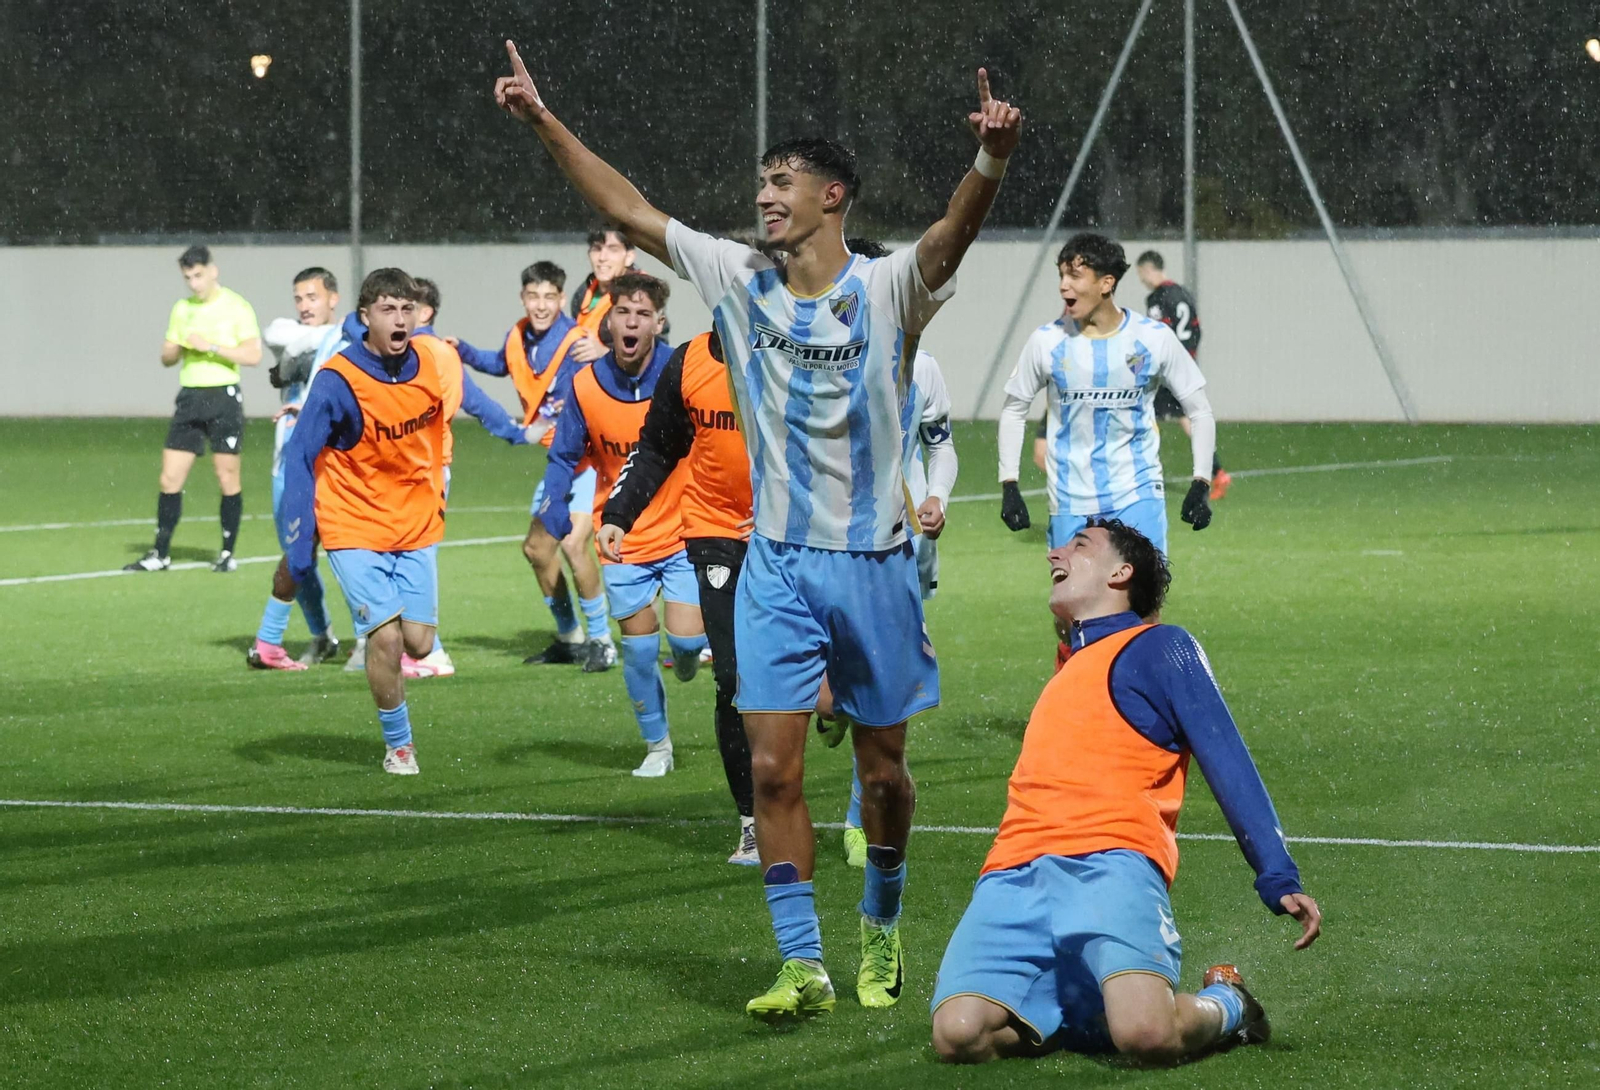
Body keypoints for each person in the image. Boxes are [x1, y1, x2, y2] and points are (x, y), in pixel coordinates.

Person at [492, 40, 1021, 1017]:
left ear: (834, 198)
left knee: (883, 775)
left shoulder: (886, 286)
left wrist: (989, 159)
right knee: (771, 766)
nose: (766, 196)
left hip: (872, 565)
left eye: (784, 182)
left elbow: (951, 235)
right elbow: (624, 209)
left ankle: (882, 922)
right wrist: (541, 120)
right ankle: (802, 962)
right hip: (771, 562)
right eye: (761, 181)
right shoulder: (736, 276)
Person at [931, 518, 1322, 1065]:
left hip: (1111, 862)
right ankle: (1085, 1011)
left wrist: (1276, 872)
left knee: (1146, 1037)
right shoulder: (1067, 670)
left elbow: (1225, 755)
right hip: (1012, 871)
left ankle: (1230, 1002)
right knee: (958, 1036)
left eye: (1079, 544)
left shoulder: (1161, 646)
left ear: (1121, 572)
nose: (1053, 553)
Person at [538, 272, 708, 778]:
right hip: (621, 535)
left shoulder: (682, 372)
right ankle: (657, 746)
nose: (631, 322)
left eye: (642, 314)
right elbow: (564, 453)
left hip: (683, 530)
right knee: (637, 653)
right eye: (623, 313)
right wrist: (553, 500)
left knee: (683, 644)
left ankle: (689, 654)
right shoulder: (585, 384)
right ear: (608, 321)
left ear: (659, 321)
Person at [280, 268, 448, 775]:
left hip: (415, 523)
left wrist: (437, 495)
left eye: (406, 309)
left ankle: (400, 731)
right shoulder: (339, 379)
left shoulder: (429, 364)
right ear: (365, 318)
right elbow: (299, 456)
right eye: (387, 309)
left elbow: (435, 433)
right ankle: (400, 747)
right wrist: (300, 534)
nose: (399, 319)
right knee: (388, 637)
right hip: (353, 524)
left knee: (419, 641)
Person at [598, 328, 758, 861]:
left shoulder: (793, 349)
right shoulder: (689, 362)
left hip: (792, 534)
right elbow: (658, 445)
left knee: (825, 685)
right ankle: (753, 820)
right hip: (716, 533)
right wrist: (619, 514)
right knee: (733, 679)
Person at [998, 234, 1216, 560]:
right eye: (1061, 276)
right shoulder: (1046, 342)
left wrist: (1201, 482)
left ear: (1106, 283)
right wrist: (1009, 484)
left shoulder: (1153, 338)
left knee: (1144, 607)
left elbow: (1199, 411)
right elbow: (1014, 410)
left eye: (1074, 275)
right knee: (1070, 608)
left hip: (1138, 494)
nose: (1063, 286)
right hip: (1069, 501)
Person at [455, 262, 616, 672]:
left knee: (573, 544)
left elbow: (581, 398)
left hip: (588, 459)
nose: (540, 305)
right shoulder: (519, 334)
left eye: (549, 297)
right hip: (560, 462)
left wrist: (539, 420)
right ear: (523, 298)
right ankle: (571, 638)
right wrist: (464, 352)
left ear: (562, 300)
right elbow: (503, 363)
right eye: (533, 296)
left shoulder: (576, 343)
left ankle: (602, 641)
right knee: (537, 549)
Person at [402, 276, 533, 679]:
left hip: (419, 470)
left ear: (424, 312)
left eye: (404, 307)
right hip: (426, 468)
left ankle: (430, 651)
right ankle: (396, 645)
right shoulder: (437, 353)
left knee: (414, 558)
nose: (395, 315)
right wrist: (517, 432)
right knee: (406, 556)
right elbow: (479, 404)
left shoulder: (419, 352)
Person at [127, 245, 262, 573]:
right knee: (169, 476)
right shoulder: (182, 309)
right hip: (190, 398)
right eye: (188, 277)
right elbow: (166, 357)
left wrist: (212, 347)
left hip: (223, 397)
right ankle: (160, 553)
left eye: (198, 275)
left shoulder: (236, 306)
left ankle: (227, 553)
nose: (194, 283)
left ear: (213, 270)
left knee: (226, 476)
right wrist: (177, 346)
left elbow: (253, 355)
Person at [247, 268, 345, 671]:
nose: (305, 306)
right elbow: (271, 333)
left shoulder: (346, 341)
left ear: (333, 298)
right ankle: (322, 635)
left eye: (313, 297)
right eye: (300, 298)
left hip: (329, 465)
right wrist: (330, 336)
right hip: (286, 463)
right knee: (295, 555)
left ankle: (383, 637)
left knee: (349, 552)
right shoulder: (330, 337)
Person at [1135, 250, 1230, 498]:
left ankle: (1143, 476)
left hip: (1166, 370)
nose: (1141, 280)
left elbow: (1157, 336)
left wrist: (1143, 364)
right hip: (1186, 366)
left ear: (1147, 270)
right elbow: (1196, 331)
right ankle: (1217, 472)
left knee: (1141, 414)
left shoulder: (1158, 298)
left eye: (1140, 274)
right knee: (1189, 420)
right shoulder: (1184, 294)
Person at [569, 227, 637, 352]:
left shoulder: (640, 294)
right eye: (597, 248)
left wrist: (605, 354)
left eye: (613, 249)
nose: (602, 257)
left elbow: (653, 352)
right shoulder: (584, 291)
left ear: (629, 257)